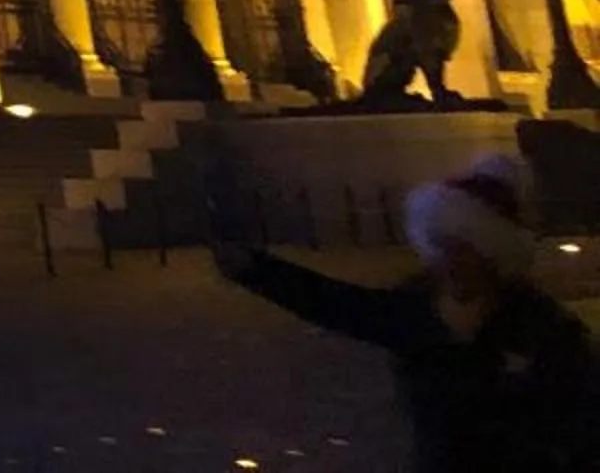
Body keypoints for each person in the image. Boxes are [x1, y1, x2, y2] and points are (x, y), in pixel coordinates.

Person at [218, 152, 596, 469]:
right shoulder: (419, 310)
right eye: (444, 249)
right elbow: (339, 305)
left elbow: (582, 418)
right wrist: (256, 270)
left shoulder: (540, 326)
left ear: (493, 259)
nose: (452, 263)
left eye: (465, 252)